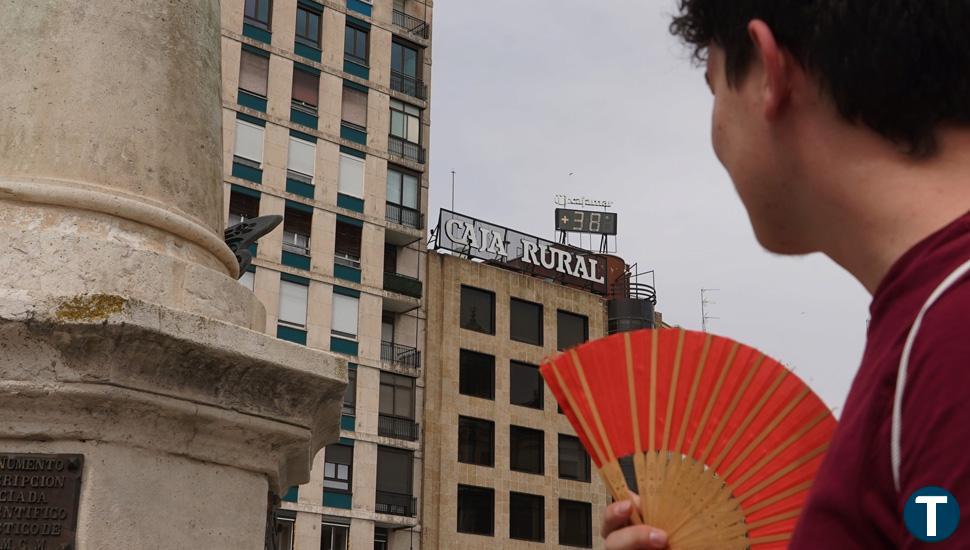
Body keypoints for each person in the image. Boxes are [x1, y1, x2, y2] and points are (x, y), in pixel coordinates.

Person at [602, 1, 970, 548]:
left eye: (713, 88)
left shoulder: (952, 340)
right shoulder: (930, 329)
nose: (716, 131)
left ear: (771, 73)